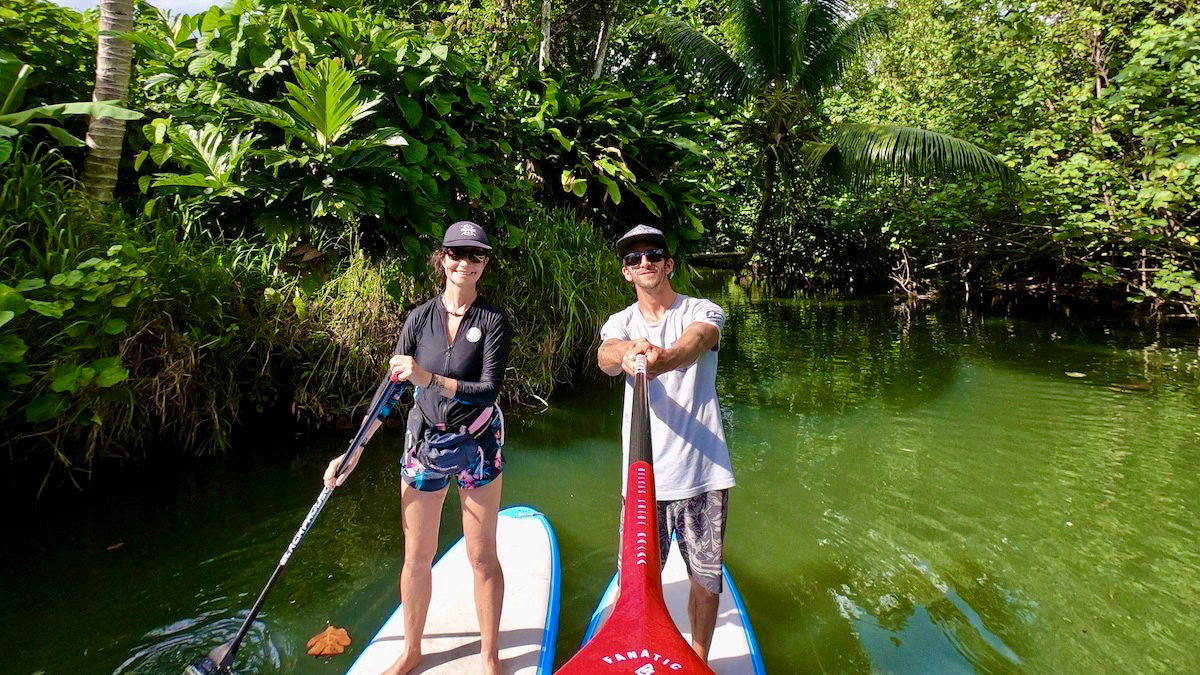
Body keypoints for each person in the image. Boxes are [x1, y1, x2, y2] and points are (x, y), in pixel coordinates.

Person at [324, 220, 511, 675]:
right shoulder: (418, 319)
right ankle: (411, 650)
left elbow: (487, 391)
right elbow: (390, 389)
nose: (464, 263)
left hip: (478, 441)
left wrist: (429, 378)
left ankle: (489, 656)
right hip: (424, 442)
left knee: (482, 555)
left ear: (485, 264)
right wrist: (354, 451)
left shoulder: (493, 321)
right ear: (442, 258)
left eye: (476, 256)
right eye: (456, 254)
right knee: (416, 555)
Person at [596, 224, 736, 663]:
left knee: (705, 580)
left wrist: (663, 359)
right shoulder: (621, 322)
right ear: (626, 273)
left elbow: (696, 342)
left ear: (669, 263)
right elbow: (605, 355)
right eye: (634, 259)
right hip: (643, 482)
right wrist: (625, 354)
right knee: (633, 584)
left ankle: (697, 660)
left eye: (653, 254)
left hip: (702, 474)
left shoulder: (703, 309)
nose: (645, 263)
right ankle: (638, 653)